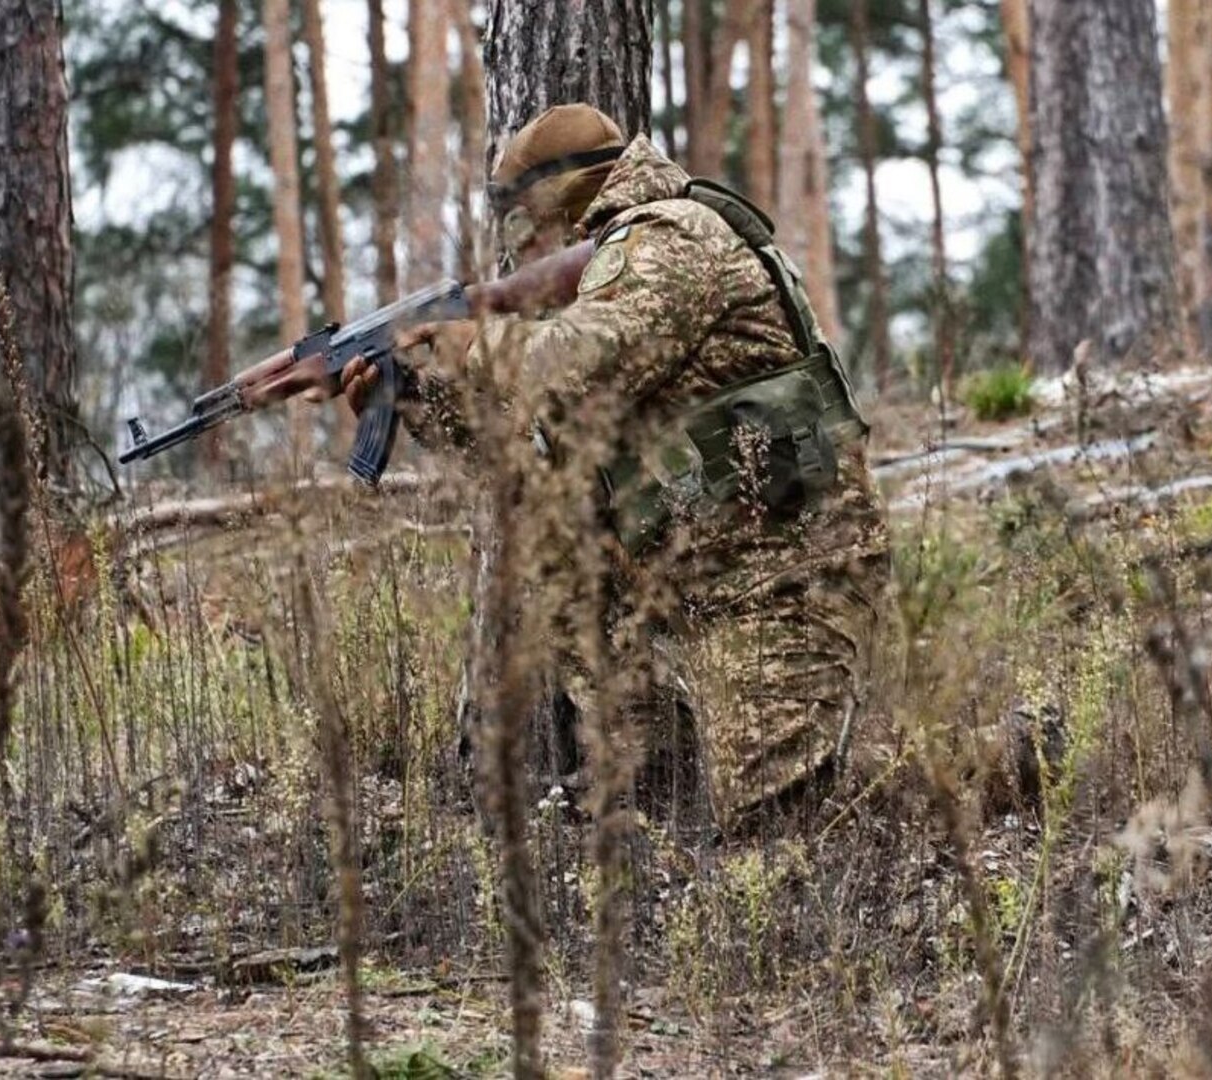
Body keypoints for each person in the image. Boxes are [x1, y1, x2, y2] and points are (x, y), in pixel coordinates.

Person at [327, 104, 892, 836]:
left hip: (790, 575)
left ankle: (1004, 759)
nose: (522, 230)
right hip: (703, 566)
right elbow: (531, 462)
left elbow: (564, 371)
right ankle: (647, 774)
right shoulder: (617, 267)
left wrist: (468, 342)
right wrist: (414, 402)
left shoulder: (673, 239)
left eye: (524, 207)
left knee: (772, 833)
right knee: (561, 535)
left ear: (566, 192)